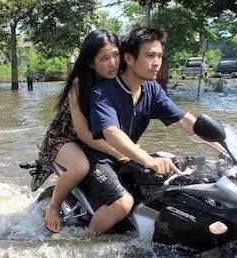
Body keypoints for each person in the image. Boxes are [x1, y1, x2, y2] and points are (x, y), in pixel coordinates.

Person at [81, 27, 198, 235]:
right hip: (97, 158)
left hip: (127, 155)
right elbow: (112, 132)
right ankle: (85, 243)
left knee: (183, 178)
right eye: (150, 55)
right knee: (123, 203)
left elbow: (185, 120)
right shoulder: (104, 91)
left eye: (160, 56)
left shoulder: (151, 89)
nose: (157, 62)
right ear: (129, 58)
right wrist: (147, 159)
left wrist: (222, 142)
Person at [34, 30, 130, 233]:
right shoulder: (78, 86)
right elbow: (84, 133)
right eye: (104, 58)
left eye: (115, 55)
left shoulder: (120, 81)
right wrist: (118, 152)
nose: (113, 63)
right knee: (80, 167)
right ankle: (54, 206)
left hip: (97, 139)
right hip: (66, 138)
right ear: (90, 63)